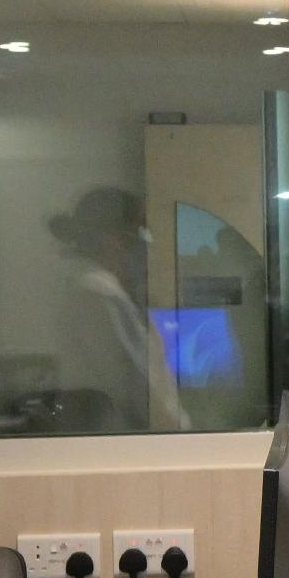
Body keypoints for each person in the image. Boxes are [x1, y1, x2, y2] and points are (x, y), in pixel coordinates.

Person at [47, 183, 183, 429]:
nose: (148, 245)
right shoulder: (97, 293)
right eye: (142, 233)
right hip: (127, 440)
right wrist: (184, 435)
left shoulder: (97, 289)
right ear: (113, 240)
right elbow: (140, 392)